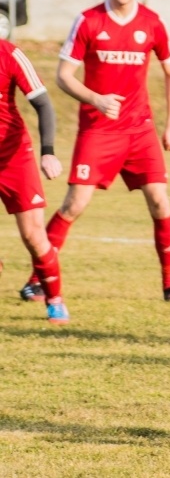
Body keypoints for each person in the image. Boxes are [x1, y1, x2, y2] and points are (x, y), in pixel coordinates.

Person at [18, 0, 170, 304]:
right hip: (98, 130)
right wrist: (95, 99)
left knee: (160, 201)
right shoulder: (88, 21)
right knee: (74, 204)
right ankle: (37, 281)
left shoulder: (152, 23)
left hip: (139, 130)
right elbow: (64, 76)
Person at [0, 39, 69, 324]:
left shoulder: (9, 54)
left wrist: (48, 152)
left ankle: (54, 299)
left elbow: (42, 103)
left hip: (13, 156)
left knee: (33, 235)